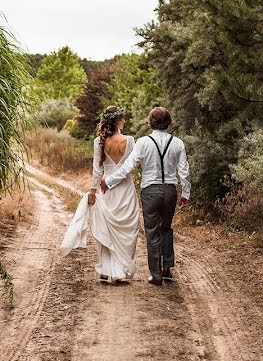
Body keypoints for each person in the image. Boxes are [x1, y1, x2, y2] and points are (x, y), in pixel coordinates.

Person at [100, 107, 190, 286]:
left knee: (152, 232)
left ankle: (156, 275)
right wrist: (186, 193)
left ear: (151, 123)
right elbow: (184, 171)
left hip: (150, 191)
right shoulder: (178, 143)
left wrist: (109, 181)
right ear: (168, 122)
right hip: (170, 190)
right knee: (166, 228)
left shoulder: (143, 142)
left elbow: (128, 167)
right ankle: (167, 268)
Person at [59, 106, 140, 283]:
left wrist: (93, 191)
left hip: (106, 189)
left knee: (105, 229)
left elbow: (97, 170)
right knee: (126, 230)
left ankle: (105, 270)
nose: (125, 122)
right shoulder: (131, 141)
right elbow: (130, 167)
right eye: (123, 119)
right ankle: (121, 270)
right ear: (118, 121)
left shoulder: (99, 141)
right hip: (125, 189)